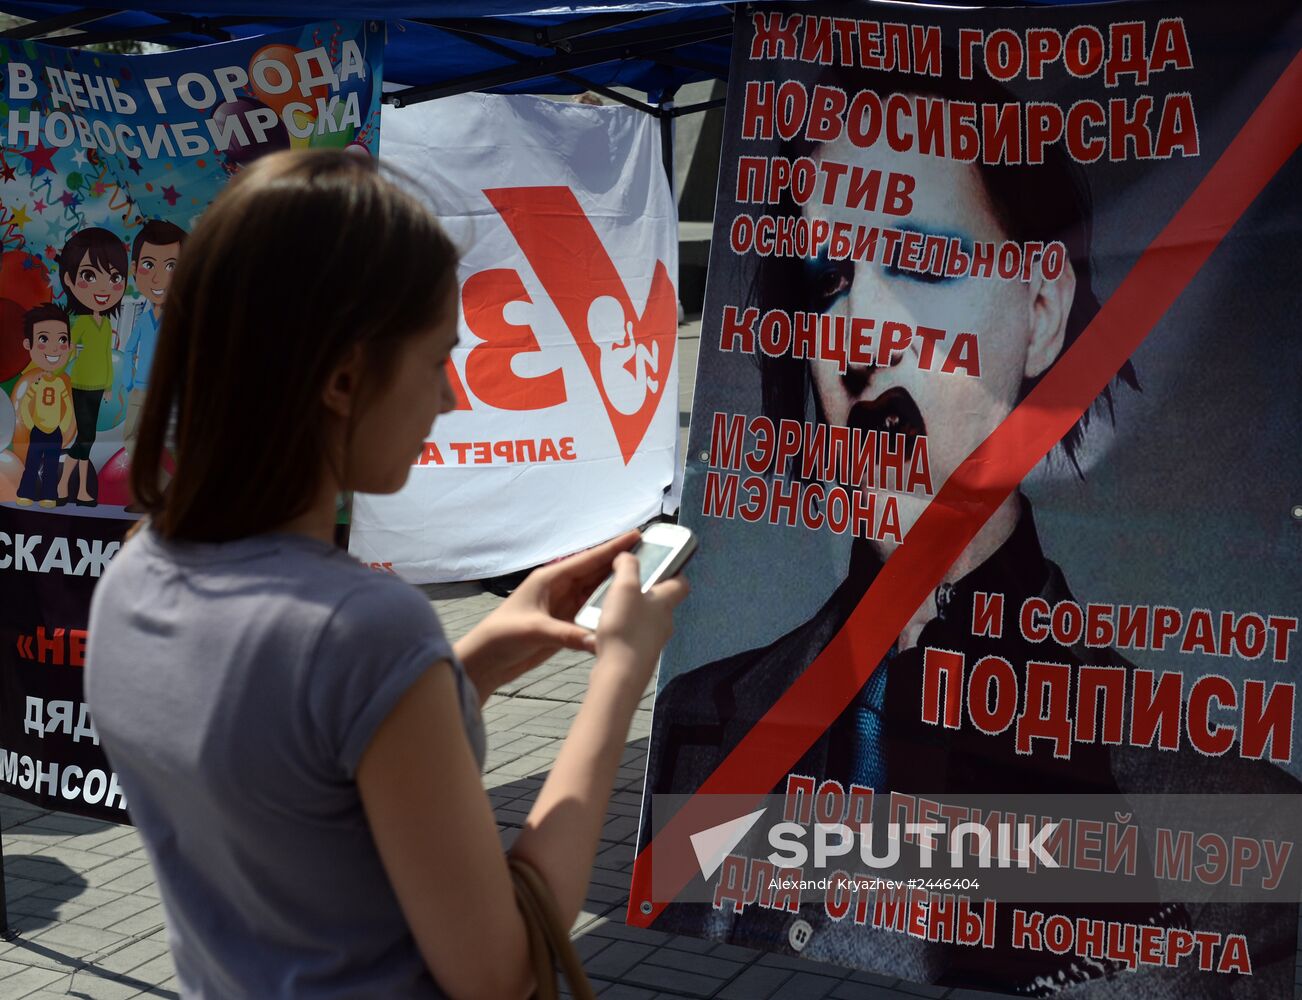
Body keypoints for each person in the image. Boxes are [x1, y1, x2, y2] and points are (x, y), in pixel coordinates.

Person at [642, 60, 1299, 996]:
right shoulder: (703, 719)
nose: (858, 334)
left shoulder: (1234, 832)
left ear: (1040, 310)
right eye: (828, 279)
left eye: (920, 262)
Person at [85, 150, 688, 999]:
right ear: (342, 378)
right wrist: (621, 678)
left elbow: (302, 788)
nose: (448, 398)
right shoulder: (361, 630)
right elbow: (500, 971)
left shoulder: (133, 577)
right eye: (438, 357)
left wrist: (470, 663)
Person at [56, 226, 128, 506]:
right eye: (89, 275)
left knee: (89, 438)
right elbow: (68, 350)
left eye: (114, 277)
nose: (104, 287)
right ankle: (67, 485)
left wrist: (109, 386)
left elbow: (107, 359)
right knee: (84, 439)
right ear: (69, 281)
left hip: (99, 386)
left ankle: (78, 489)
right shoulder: (80, 322)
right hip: (80, 385)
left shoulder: (106, 323)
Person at [14, 303, 74, 507]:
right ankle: (26, 493)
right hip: (37, 431)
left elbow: (67, 406)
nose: (54, 347)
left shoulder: (59, 383)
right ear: (27, 344)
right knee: (31, 464)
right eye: (43, 339)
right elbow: (26, 404)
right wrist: (31, 424)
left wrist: (63, 426)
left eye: (62, 339)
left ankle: (49, 496)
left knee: (50, 465)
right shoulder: (35, 382)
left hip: (54, 432)